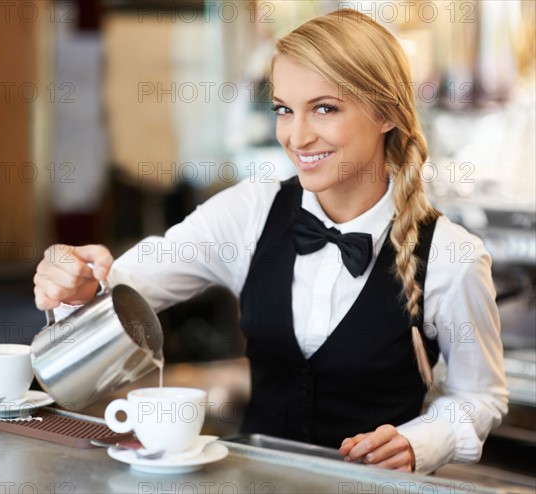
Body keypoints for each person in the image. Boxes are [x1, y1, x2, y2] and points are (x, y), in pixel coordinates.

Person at [34, 9, 508, 474]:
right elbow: (125, 285)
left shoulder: (452, 256)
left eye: (324, 108)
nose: (296, 136)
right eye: (284, 109)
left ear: (385, 112)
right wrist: (76, 279)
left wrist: (418, 441)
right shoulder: (249, 212)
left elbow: (479, 397)